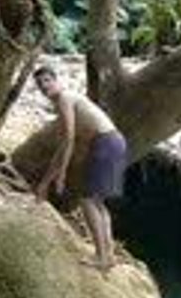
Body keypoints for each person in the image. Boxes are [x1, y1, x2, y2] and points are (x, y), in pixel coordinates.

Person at [33, 65, 128, 270]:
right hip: (114, 141)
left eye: (47, 81)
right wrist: (51, 179)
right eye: (40, 84)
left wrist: (57, 177)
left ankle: (102, 256)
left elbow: (69, 139)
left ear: (57, 80)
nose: (44, 86)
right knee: (97, 202)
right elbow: (64, 145)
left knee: (87, 201)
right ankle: (108, 255)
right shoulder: (66, 101)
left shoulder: (65, 98)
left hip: (106, 142)